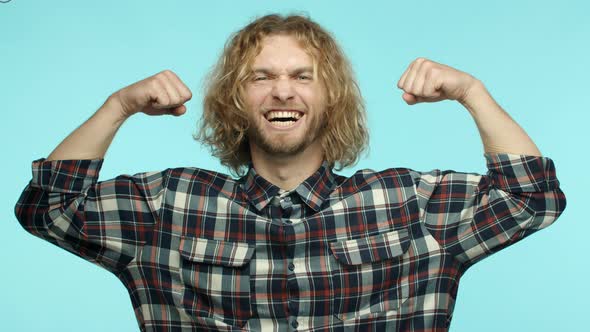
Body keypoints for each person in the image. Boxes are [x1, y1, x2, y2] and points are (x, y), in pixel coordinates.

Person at [14, 14, 566, 332]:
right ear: (235, 98)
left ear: (331, 99)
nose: (283, 90)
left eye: (303, 75)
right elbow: (47, 209)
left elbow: (531, 200)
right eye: (262, 77)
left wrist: (473, 93)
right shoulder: (168, 206)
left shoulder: (409, 202)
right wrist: (117, 106)